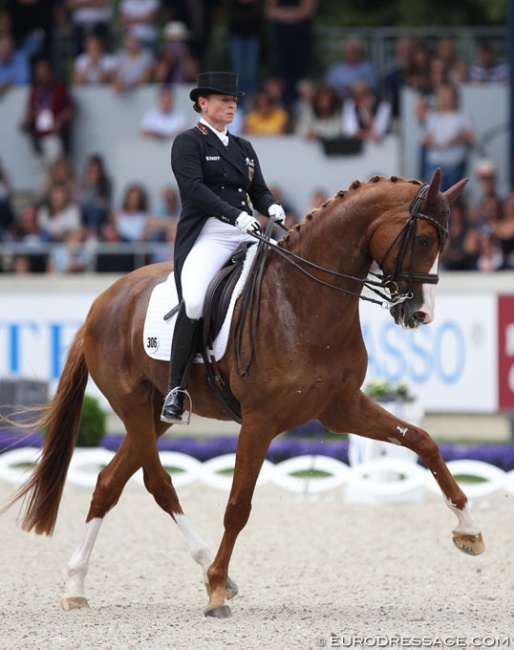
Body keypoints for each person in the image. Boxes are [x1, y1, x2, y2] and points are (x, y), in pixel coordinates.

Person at [160, 71, 287, 424]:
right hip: (209, 232)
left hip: (246, 227)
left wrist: (271, 205)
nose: (231, 106)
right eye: (223, 100)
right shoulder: (188, 142)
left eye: (233, 101)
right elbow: (195, 191)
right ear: (203, 103)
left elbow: (257, 190)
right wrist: (235, 216)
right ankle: (175, 388)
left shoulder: (244, 147)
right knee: (197, 299)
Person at [20, 58, 75, 186]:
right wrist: (26, 118)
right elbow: (31, 109)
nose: (41, 74)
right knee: (39, 170)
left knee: (56, 167)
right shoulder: (35, 90)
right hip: (37, 137)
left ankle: (58, 196)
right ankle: (44, 197)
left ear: (50, 71)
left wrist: (60, 120)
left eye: (44, 71)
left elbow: (71, 108)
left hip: (53, 136)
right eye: (39, 71)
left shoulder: (59, 88)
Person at [421, 82, 474, 191]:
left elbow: (470, 137)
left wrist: (457, 139)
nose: (447, 99)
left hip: (455, 163)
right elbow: (425, 138)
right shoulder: (434, 116)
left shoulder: (462, 116)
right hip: (436, 163)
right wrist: (435, 143)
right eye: (444, 96)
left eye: (450, 96)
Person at [265, 0, 316, 110]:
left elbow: (306, 11)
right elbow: (270, 12)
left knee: (301, 81)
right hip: (280, 42)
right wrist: (294, 14)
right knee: (279, 81)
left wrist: (281, 14)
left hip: (301, 41)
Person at [324, 35, 378, 102]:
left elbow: (373, 85)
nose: (352, 52)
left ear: (360, 51)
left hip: (361, 103)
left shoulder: (368, 68)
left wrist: (360, 87)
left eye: (355, 50)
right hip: (337, 102)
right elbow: (328, 87)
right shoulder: (335, 69)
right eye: (349, 49)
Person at [77, 153, 112, 237]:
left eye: (96, 170)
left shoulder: (105, 184)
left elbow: (103, 202)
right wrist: (89, 184)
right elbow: (79, 200)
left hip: (99, 214)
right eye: (91, 170)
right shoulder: (82, 182)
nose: (94, 172)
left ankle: (92, 234)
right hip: (83, 211)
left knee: (95, 209)